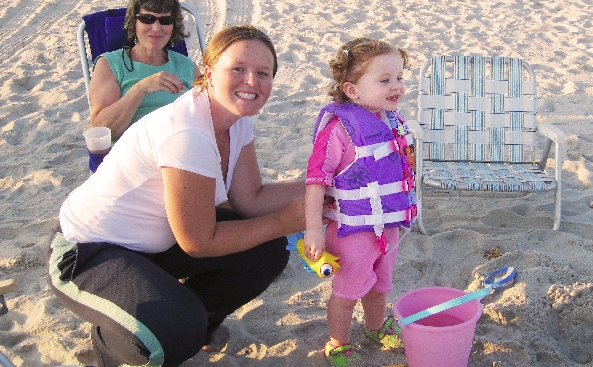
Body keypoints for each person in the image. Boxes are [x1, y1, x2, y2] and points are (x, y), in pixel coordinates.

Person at [47, 25, 310, 367]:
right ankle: (114, 342)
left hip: (153, 244)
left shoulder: (235, 119)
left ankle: (185, 322)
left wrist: (327, 188)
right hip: (85, 251)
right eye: (238, 69)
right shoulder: (187, 131)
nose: (251, 82)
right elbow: (198, 242)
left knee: (267, 250)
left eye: (263, 73)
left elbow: (251, 199)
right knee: (175, 327)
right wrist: (284, 221)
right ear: (209, 71)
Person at [303, 38, 419, 366]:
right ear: (352, 90)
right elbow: (315, 183)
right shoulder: (340, 132)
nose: (396, 86)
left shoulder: (393, 121)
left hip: (388, 226)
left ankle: (374, 327)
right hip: (352, 231)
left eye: (399, 77)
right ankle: (338, 341)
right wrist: (313, 230)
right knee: (347, 291)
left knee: (381, 284)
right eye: (384, 81)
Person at [89, 0, 201, 141]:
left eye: (165, 21)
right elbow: (103, 130)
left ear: (173, 26)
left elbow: (210, 113)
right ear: (134, 23)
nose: (156, 28)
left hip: (182, 145)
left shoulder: (186, 66)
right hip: (135, 152)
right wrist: (141, 88)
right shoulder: (111, 64)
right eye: (147, 19)